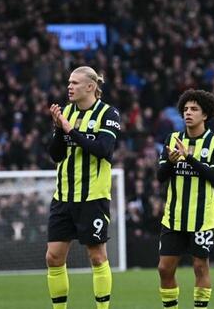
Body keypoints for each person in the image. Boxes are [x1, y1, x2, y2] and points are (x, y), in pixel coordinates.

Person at [46, 66, 121, 309]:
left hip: (93, 198)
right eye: (69, 82)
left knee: (97, 256)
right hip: (64, 196)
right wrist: (58, 129)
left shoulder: (108, 114)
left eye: (75, 83)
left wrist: (70, 130)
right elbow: (56, 155)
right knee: (53, 257)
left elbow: (104, 150)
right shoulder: (66, 112)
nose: (69, 86)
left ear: (90, 87)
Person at [156, 89, 214, 309]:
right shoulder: (172, 139)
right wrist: (170, 162)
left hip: (203, 217)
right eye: (185, 109)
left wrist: (189, 157)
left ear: (205, 115)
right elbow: (160, 177)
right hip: (174, 216)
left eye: (194, 109)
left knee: (200, 267)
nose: (188, 113)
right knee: (164, 268)